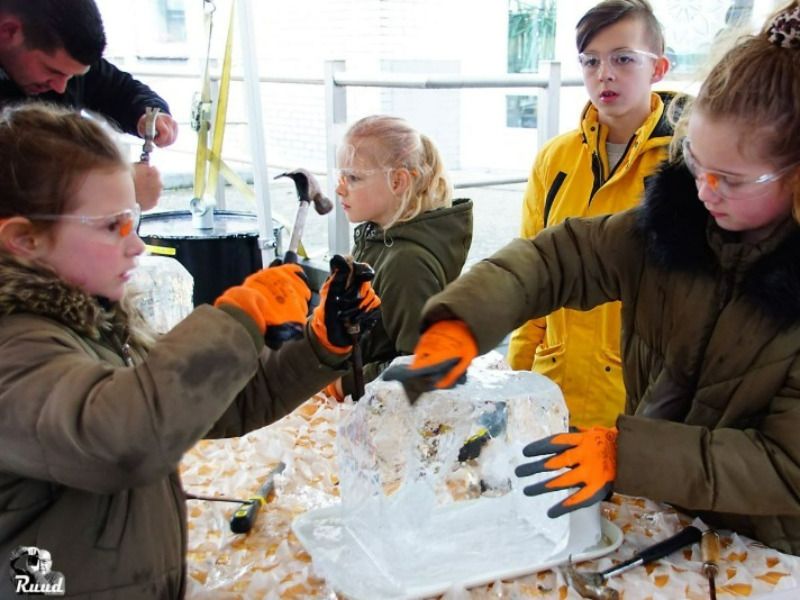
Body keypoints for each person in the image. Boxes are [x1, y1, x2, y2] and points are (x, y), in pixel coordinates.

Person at [387, 2, 800, 555]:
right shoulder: (676, 226)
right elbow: (560, 257)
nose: (704, 191)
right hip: (668, 516)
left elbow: (785, 464)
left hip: (771, 551)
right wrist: (463, 320)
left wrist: (624, 454)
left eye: (729, 179)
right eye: (697, 163)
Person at [0, 104, 380, 597]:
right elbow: (126, 435)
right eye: (111, 225)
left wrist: (320, 344)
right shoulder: (14, 349)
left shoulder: (86, 326)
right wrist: (241, 316)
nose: (135, 244)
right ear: (24, 239)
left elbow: (206, 404)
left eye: (133, 220)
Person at [506, 0, 672, 429]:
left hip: (638, 403)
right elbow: (530, 275)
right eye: (590, 61)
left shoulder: (685, 164)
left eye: (623, 59)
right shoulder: (555, 159)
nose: (605, 74)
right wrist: (515, 379)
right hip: (551, 393)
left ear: (658, 69)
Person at [324, 115, 473, 400]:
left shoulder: (408, 264)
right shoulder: (377, 236)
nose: (339, 188)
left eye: (353, 177)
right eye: (340, 177)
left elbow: (420, 367)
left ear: (398, 180)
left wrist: (345, 384)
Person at [0, 0, 179, 210]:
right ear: (9, 32)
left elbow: (118, 90)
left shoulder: (62, 57)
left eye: (72, 76)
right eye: (53, 71)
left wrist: (147, 114)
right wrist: (112, 189)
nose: (60, 87)